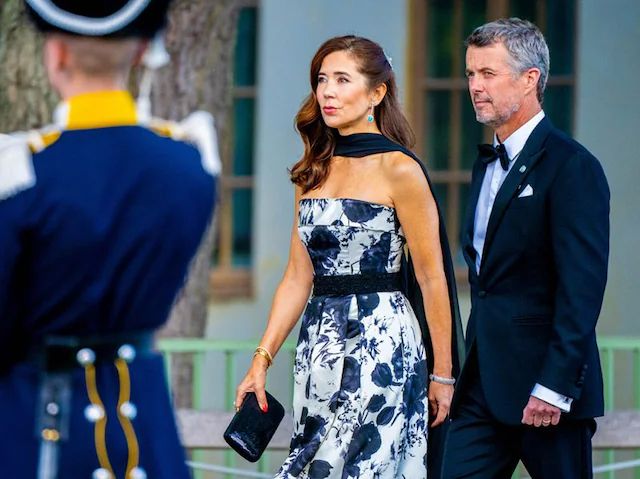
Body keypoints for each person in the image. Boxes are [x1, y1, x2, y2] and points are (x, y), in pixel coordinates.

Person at [0, 1, 218, 478]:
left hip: (34, 434)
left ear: (55, 56)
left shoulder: (21, 175)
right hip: (145, 434)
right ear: (142, 52)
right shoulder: (190, 167)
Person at [235, 35, 464, 478]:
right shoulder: (313, 169)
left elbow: (433, 278)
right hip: (319, 345)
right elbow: (297, 278)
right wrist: (260, 361)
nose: (327, 91)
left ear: (377, 93)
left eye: (342, 79)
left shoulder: (401, 169)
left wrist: (443, 374)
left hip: (382, 344)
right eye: (322, 80)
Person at [442, 18, 609, 479]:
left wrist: (555, 386)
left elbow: (583, 288)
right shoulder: (485, 167)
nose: (475, 86)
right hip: (481, 386)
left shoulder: (572, 166)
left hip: (549, 393)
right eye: (471, 74)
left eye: (488, 74)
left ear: (530, 78)